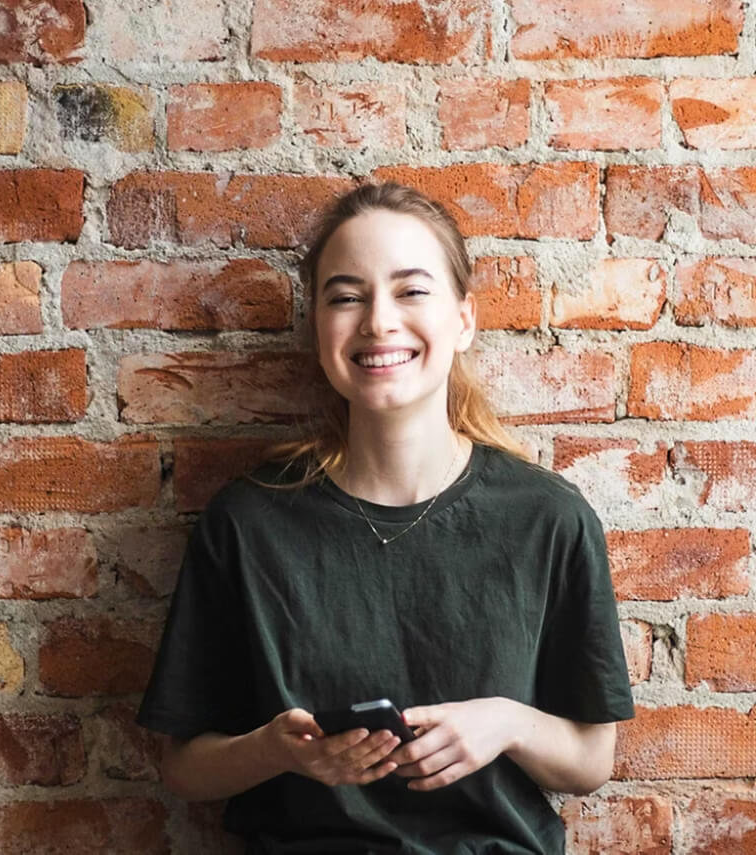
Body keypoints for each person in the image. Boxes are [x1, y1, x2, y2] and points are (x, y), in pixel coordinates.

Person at [134, 181, 635, 854]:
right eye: (345, 295)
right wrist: (278, 750)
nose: (378, 321)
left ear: (464, 319)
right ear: (317, 324)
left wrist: (506, 723)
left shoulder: (550, 518)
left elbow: (593, 757)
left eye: (411, 290)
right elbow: (182, 764)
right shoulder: (246, 523)